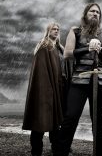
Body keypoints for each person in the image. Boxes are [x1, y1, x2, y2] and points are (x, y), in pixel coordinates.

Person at [54, 3, 102, 156]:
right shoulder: (75, 31)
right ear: (85, 14)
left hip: (100, 81)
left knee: (97, 119)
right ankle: (60, 152)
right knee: (71, 116)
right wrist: (88, 48)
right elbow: (68, 53)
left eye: (98, 12)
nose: (95, 14)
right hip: (79, 81)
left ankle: (100, 153)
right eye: (92, 11)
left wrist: (101, 47)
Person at [22, 22, 67, 156]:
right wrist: (47, 91)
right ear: (48, 31)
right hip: (45, 90)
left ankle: (56, 150)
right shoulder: (44, 46)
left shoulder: (59, 48)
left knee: (55, 122)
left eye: (58, 29)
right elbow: (40, 73)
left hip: (58, 88)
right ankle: (36, 152)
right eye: (53, 29)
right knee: (40, 121)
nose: (56, 31)